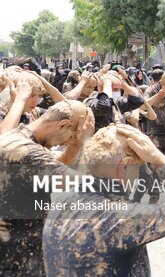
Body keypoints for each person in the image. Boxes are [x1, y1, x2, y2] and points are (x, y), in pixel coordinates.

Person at [42, 124, 165, 277]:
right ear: (125, 165)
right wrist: (156, 157)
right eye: (139, 167)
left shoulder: (63, 199)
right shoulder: (119, 216)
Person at [0, 100, 95, 276]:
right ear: (62, 125)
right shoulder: (27, 152)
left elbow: (51, 169)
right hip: (16, 259)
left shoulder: (19, 137)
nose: (67, 143)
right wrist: (86, 141)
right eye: (71, 137)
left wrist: (75, 144)